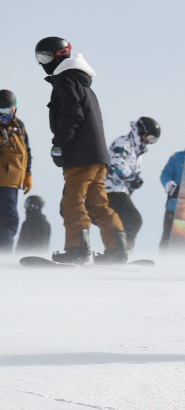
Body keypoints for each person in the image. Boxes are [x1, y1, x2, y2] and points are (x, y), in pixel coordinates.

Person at [36, 37, 128, 264]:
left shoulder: (65, 81)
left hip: (80, 155)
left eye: (45, 57)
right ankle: (117, 249)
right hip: (97, 156)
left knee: (73, 200)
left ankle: (77, 249)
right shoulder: (82, 84)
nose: (41, 63)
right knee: (98, 203)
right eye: (39, 58)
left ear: (59, 55)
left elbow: (72, 114)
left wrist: (59, 144)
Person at [104, 117, 161, 250]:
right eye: (150, 138)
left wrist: (133, 183)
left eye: (154, 140)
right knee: (134, 220)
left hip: (119, 190)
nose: (149, 142)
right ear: (142, 132)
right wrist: (132, 177)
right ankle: (122, 251)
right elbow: (117, 163)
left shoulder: (137, 151)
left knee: (121, 222)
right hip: (111, 189)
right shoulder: (123, 143)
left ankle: (115, 251)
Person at [0, 89, 34, 254]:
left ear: (14, 109)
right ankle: (4, 255)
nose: (3, 115)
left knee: (8, 220)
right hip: (2, 181)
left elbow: (26, 152)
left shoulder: (19, 127)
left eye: (7, 111)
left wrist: (28, 174)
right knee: (8, 219)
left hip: (13, 183)